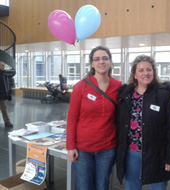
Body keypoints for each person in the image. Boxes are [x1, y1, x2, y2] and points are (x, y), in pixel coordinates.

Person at [116, 55, 170, 190]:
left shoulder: (164, 95)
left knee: (158, 187)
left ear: (154, 72)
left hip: (157, 155)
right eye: (141, 70)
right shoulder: (126, 95)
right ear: (134, 74)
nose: (145, 73)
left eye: (149, 69)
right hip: (131, 155)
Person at [66, 46, 122, 190]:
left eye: (105, 58)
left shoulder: (119, 87)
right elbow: (72, 118)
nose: (101, 62)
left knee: (102, 186)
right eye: (97, 59)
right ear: (92, 63)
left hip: (108, 148)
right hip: (83, 149)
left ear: (110, 61)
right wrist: (70, 146)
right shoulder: (81, 86)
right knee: (84, 186)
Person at [0, 61, 15, 127]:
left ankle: (7, 122)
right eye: (2, 66)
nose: (3, 67)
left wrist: (9, 92)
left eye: (4, 66)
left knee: (4, 107)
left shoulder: (4, 74)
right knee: (4, 107)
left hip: (2, 94)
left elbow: (7, 84)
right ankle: (7, 122)